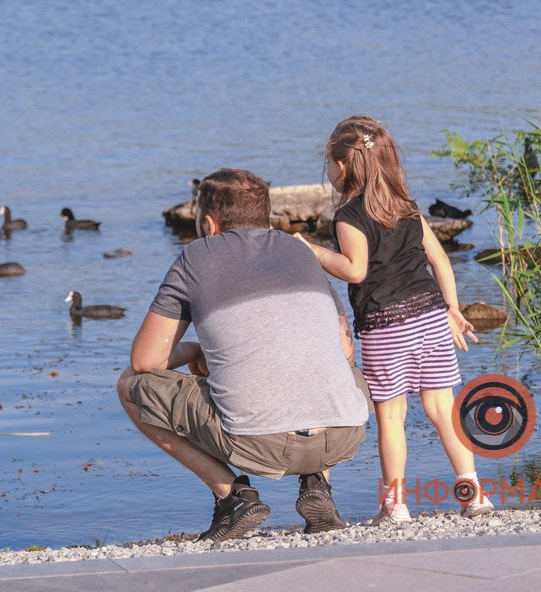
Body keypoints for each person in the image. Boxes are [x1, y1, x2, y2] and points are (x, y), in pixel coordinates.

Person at [117, 168, 371, 541]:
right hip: (344, 433)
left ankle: (232, 496)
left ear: (208, 223)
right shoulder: (299, 251)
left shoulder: (196, 256)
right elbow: (343, 345)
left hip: (258, 443)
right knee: (337, 363)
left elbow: (145, 362)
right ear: (266, 216)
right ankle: (317, 484)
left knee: (129, 385)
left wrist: (197, 350)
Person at [296, 115, 494, 523]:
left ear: (344, 167)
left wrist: (310, 249)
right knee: (443, 409)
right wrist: (453, 309)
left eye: (329, 164)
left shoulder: (349, 216)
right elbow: (440, 260)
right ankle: (474, 496)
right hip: (432, 316)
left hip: (386, 325)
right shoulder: (406, 206)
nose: (329, 172)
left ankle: (395, 504)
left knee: (391, 417)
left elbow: (355, 269)